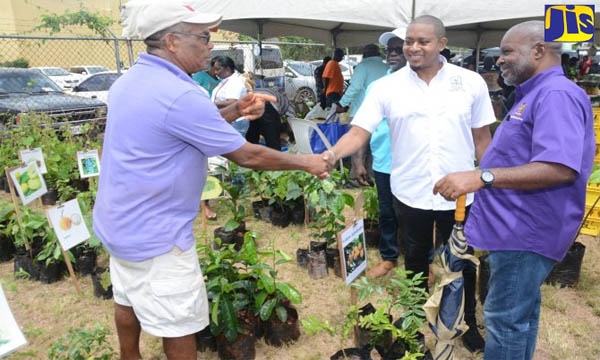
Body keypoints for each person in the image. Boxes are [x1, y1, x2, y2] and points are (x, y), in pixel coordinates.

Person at [94, 1, 331, 359]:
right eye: (204, 37)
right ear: (173, 41)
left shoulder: (131, 80)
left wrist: (235, 109)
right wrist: (306, 161)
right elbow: (247, 154)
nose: (211, 47)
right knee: (179, 326)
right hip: (159, 236)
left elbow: (185, 124)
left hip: (119, 222)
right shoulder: (180, 94)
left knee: (128, 296)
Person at [323, 15, 492, 353]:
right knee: (414, 260)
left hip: (459, 194)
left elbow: (482, 139)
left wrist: (491, 181)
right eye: (408, 42)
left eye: (422, 41)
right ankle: (414, 325)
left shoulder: (470, 82)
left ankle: (467, 323)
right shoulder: (386, 87)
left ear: (442, 44)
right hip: (410, 191)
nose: (413, 48)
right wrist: (329, 156)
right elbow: (359, 132)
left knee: (462, 261)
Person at [433, 20, 594, 360]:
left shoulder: (556, 95)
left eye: (507, 51)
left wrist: (482, 177)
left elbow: (560, 167)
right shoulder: (536, 94)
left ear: (539, 51)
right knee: (519, 317)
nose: (499, 60)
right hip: (516, 228)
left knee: (505, 320)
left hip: (525, 231)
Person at [347, 28, 406, 278]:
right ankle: (389, 258)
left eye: (397, 49)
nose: (392, 54)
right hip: (383, 162)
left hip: (416, 165)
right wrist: (358, 162)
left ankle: (423, 261)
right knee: (387, 213)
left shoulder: (427, 86)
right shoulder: (379, 86)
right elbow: (364, 125)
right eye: (389, 50)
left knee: (418, 215)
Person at [211, 55, 250, 136]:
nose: (216, 72)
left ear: (227, 69)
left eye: (218, 69)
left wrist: (212, 104)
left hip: (235, 122)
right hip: (227, 119)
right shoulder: (225, 80)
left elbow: (232, 101)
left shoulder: (234, 82)